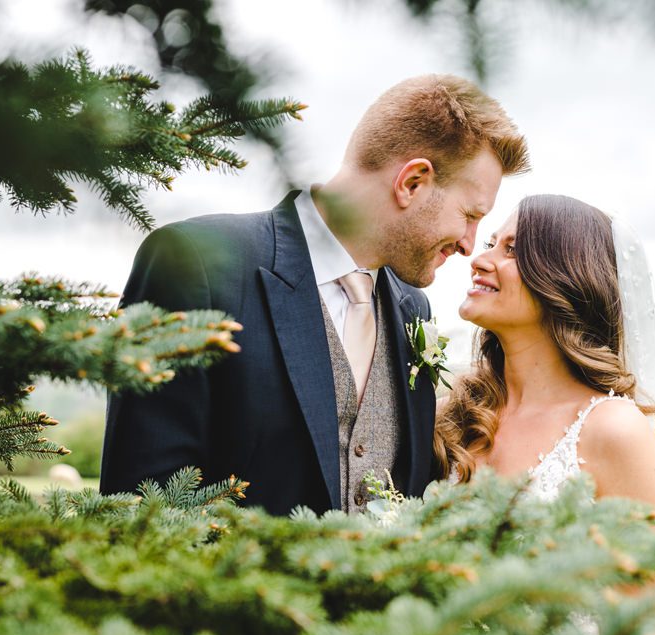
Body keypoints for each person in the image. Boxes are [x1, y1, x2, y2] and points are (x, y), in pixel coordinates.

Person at [99, 74, 528, 514]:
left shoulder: (411, 308)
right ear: (412, 182)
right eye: (470, 214)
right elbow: (141, 508)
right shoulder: (196, 264)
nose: (468, 245)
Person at [439, 195, 655, 635]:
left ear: (563, 278)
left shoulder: (613, 431)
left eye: (511, 250)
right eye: (491, 242)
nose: (480, 259)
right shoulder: (455, 417)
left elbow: (649, 623)